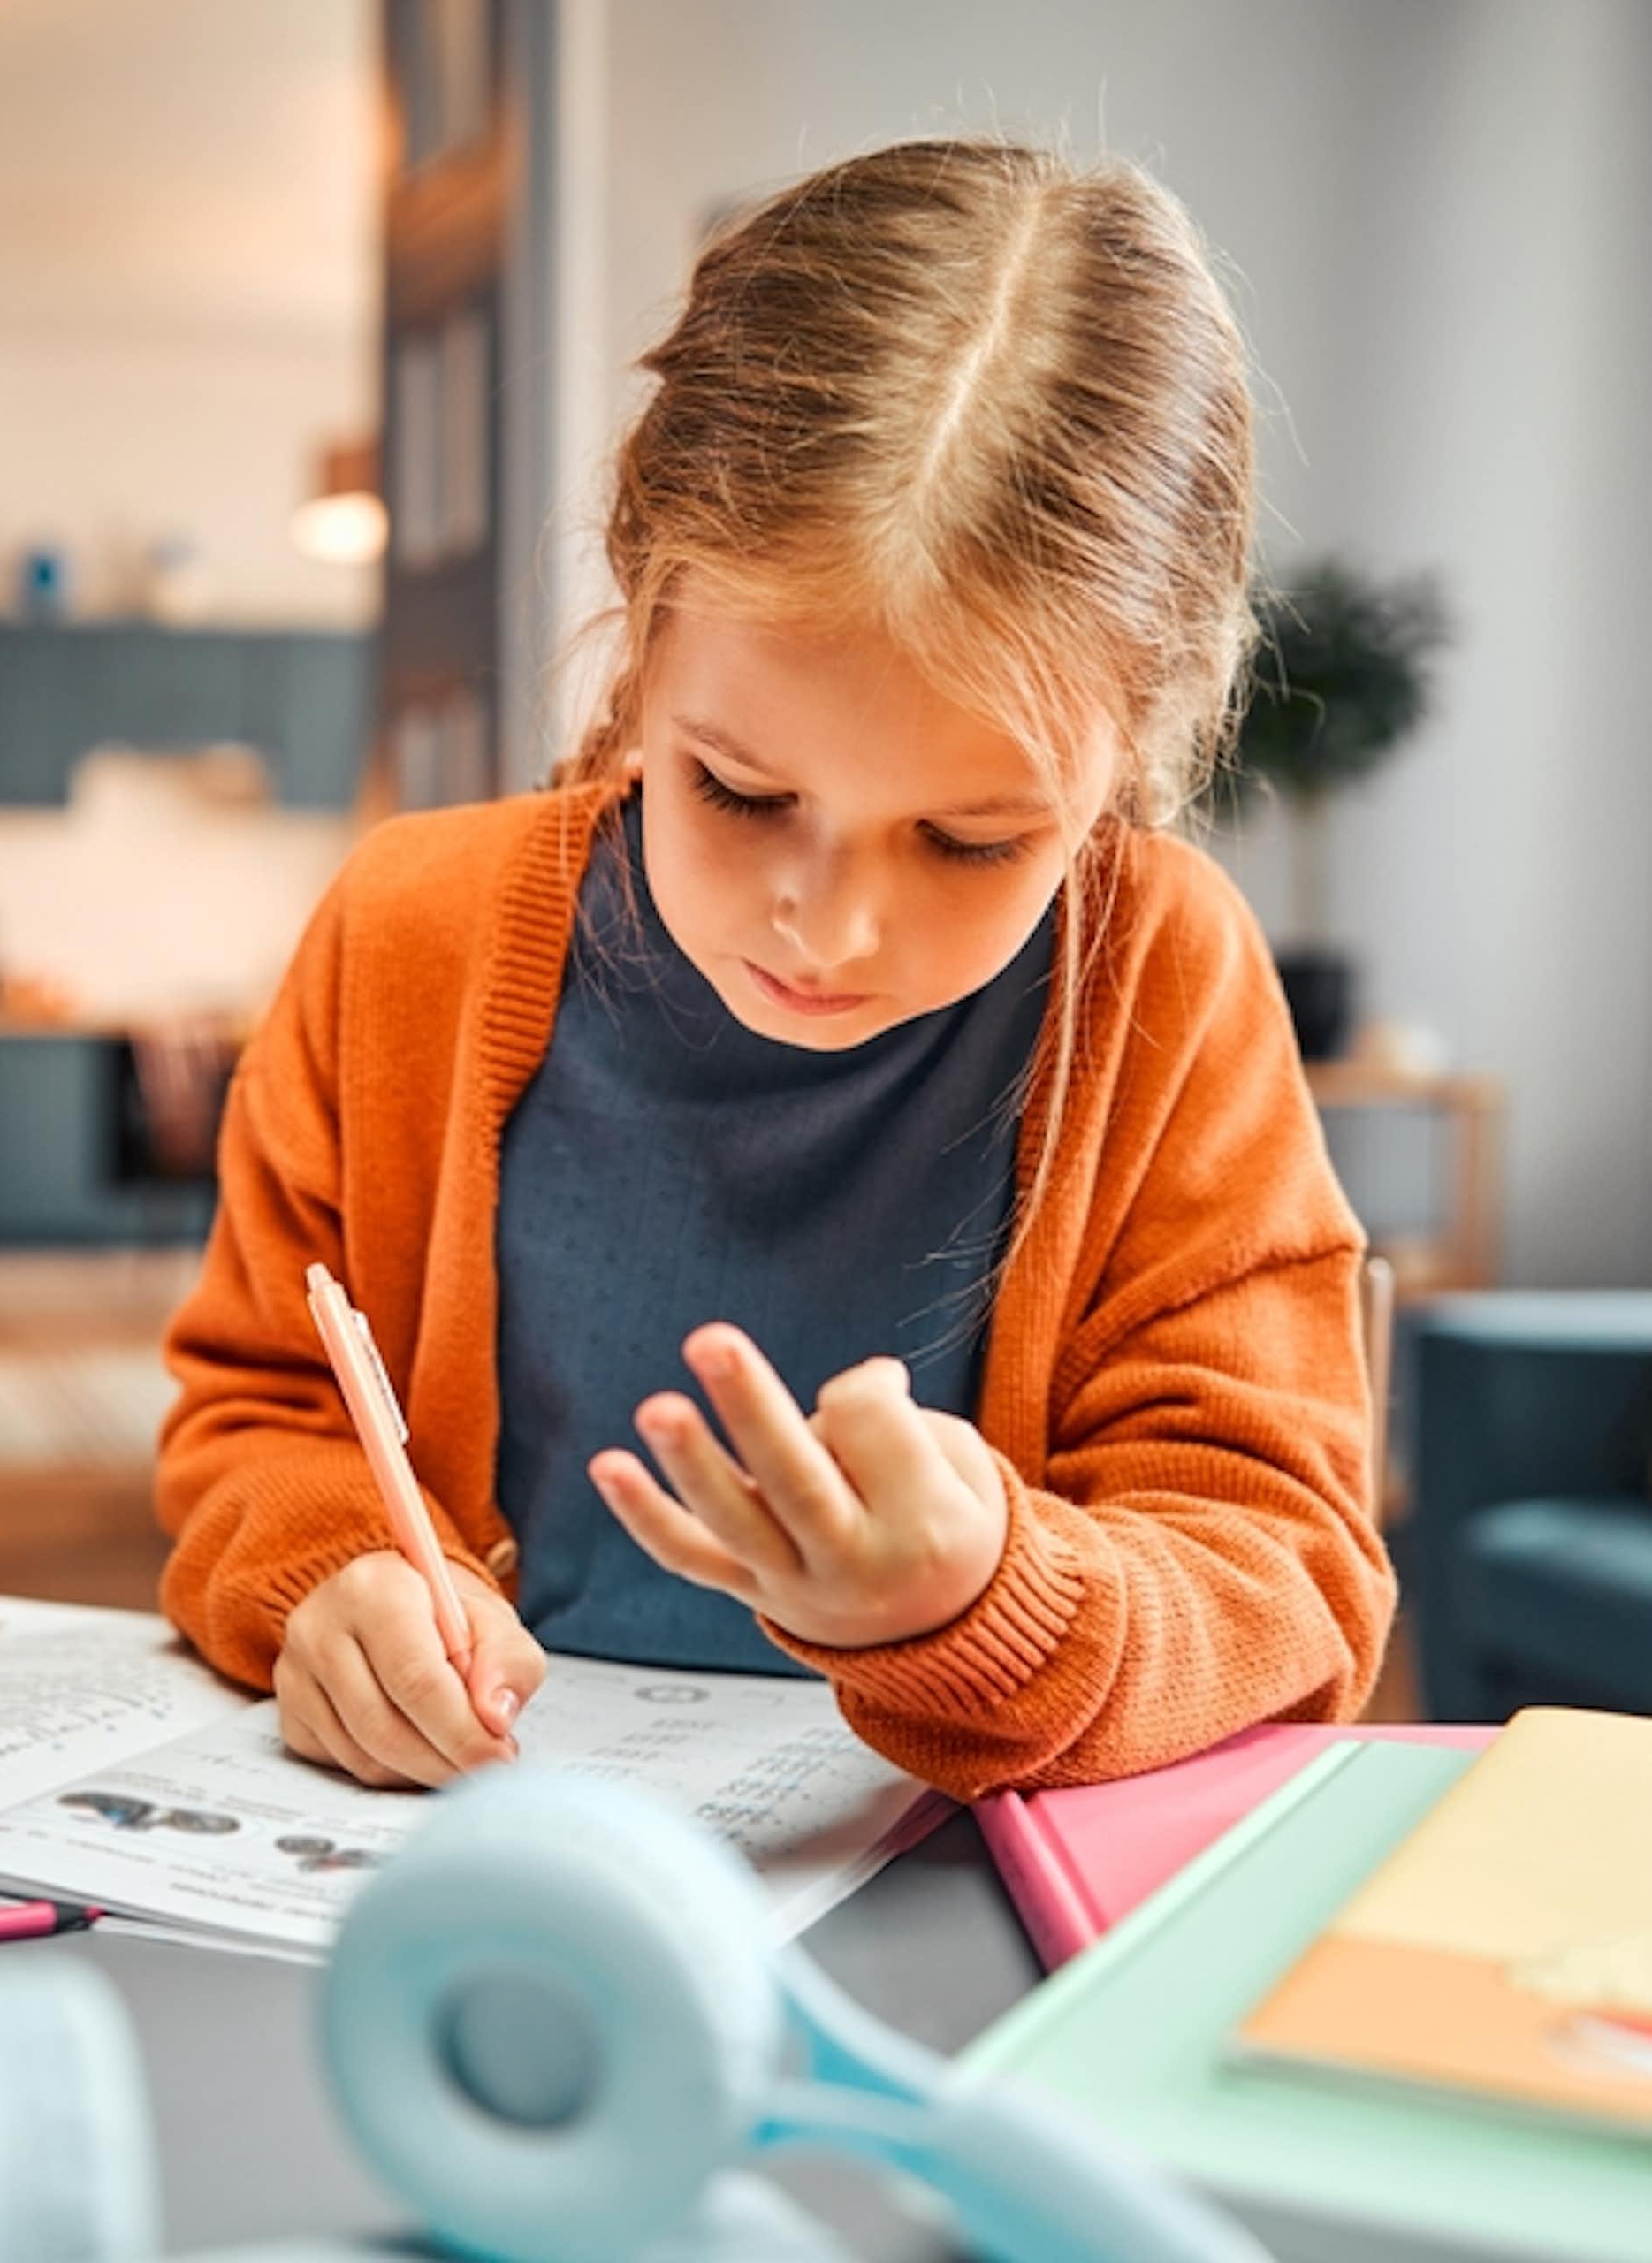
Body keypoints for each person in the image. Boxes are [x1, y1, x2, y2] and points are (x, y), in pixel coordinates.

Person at [153, 138, 1395, 1799]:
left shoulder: (1162, 988)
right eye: (739, 793)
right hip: (474, 1864)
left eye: (971, 841)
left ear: (1127, 770)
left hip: (959, 1914)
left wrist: (993, 1605)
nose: (830, 926)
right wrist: (331, 1584)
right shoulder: (408, 937)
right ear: (642, 629)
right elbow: (257, 1412)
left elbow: (1285, 1567)